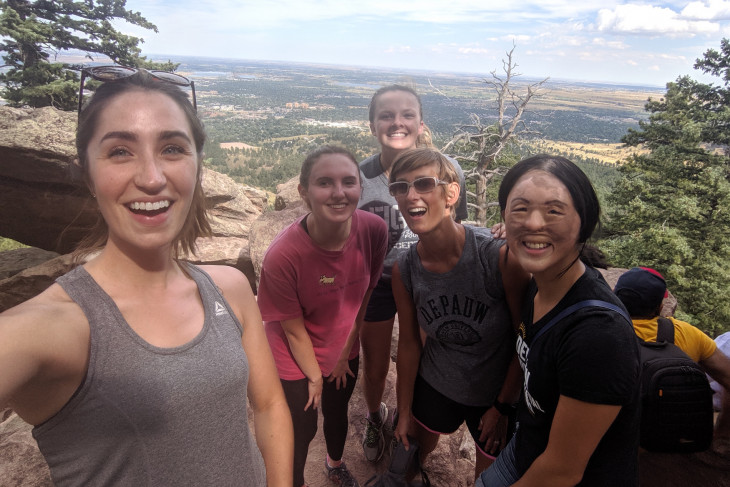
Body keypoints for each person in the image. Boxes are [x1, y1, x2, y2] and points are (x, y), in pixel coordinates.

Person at [0, 67, 292, 486]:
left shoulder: (229, 287)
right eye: (120, 151)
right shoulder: (53, 326)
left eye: (173, 148)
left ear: (197, 164)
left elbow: (267, 406)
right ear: (87, 173)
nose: (152, 178)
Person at [477, 154, 641, 487]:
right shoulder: (541, 282)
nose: (534, 223)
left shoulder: (598, 334)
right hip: (524, 449)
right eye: (520, 209)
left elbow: (562, 470)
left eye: (554, 211)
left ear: (584, 223)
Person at [388, 147, 528, 479]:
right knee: (404, 465)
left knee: (491, 480)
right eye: (400, 187)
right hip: (437, 382)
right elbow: (409, 343)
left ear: (452, 193)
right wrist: (404, 411)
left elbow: (524, 338)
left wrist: (503, 406)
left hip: (493, 394)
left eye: (423, 184)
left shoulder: (496, 258)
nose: (410, 196)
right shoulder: (405, 269)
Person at [257, 146, 388, 487]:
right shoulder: (284, 254)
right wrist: (316, 377)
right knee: (301, 428)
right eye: (325, 183)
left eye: (349, 182)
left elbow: (366, 294)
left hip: (343, 341)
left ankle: (334, 463)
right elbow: (293, 329)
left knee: (337, 411)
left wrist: (344, 353)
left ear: (360, 188)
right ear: (304, 192)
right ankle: (294, 480)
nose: (339, 193)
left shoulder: (373, 230)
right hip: (292, 349)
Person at [357, 84, 469, 463]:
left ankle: (411, 419)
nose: (396, 122)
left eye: (406, 114)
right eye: (386, 115)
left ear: (421, 123)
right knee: (374, 364)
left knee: (418, 355)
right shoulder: (360, 177)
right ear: (372, 125)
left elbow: (460, 226)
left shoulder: (446, 169)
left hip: (426, 277)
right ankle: (375, 417)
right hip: (376, 282)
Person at [614, 266, 730, 454]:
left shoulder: (600, 330)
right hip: (669, 441)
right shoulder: (689, 333)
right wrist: (722, 431)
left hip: (615, 444)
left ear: (614, 295)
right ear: (661, 306)